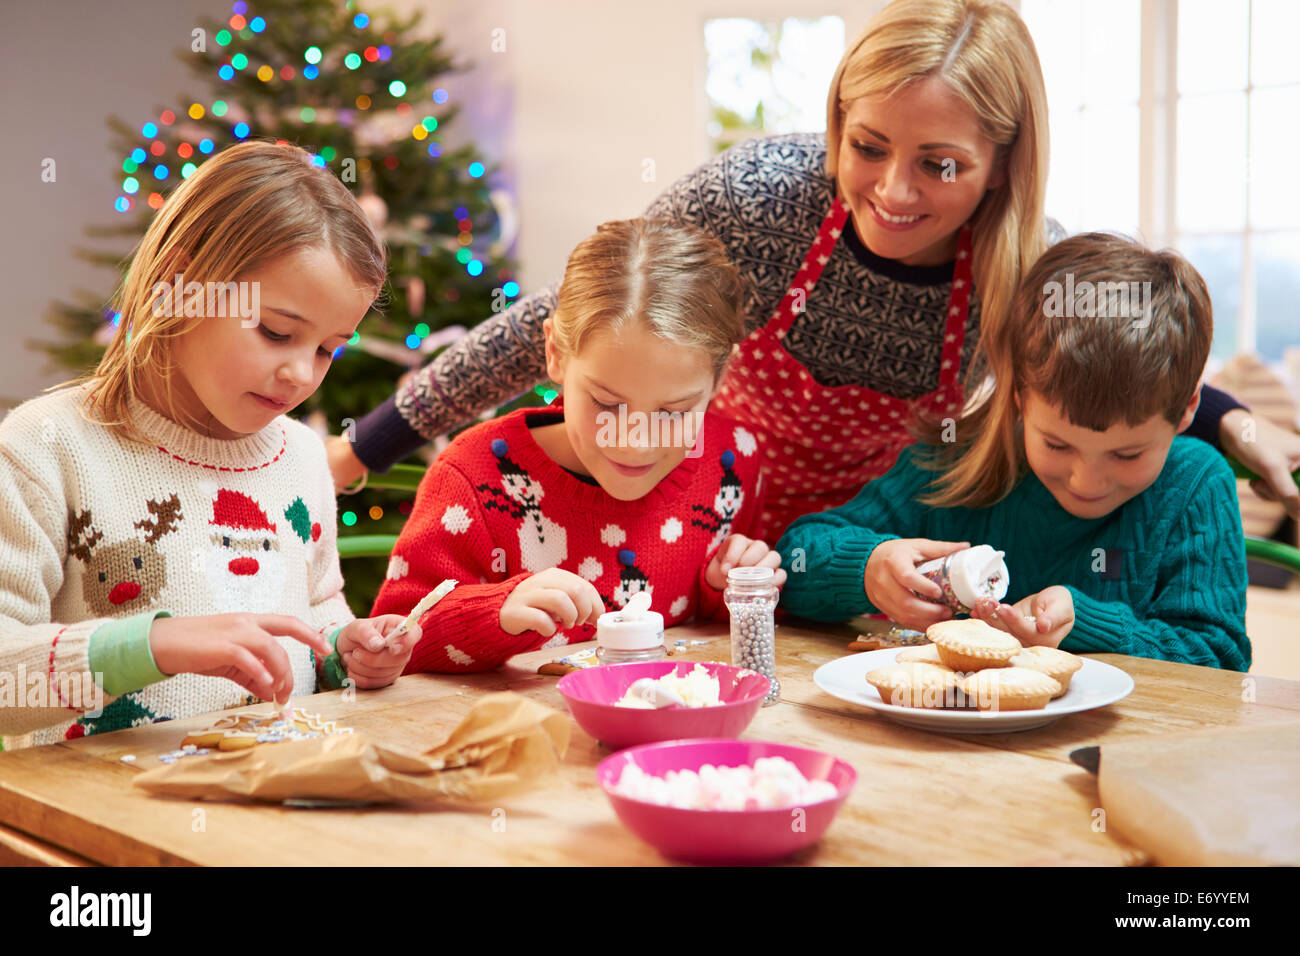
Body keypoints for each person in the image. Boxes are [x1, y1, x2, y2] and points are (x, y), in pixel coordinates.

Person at [326, 0, 1300, 532]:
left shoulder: (1023, 255)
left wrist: (1241, 425)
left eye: (940, 165)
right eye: (867, 144)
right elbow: (576, 313)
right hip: (698, 523)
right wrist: (365, 443)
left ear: (1003, 162)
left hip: (874, 550)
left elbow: (1120, 362)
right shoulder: (763, 200)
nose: (892, 190)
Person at [0, 141, 415, 749]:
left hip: (261, 810)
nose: (302, 373)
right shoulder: (44, 447)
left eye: (328, 348)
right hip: (103, 828)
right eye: (276, 332)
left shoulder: (300, 456)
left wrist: (344, 652)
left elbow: (319, 614)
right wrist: (152, 646)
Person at [776, 233, 1249, 671]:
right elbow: (793, 562)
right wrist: (868, 567)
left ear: (1187, 411)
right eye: (1057, 444)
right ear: (1020, 396)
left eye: (1126, 455)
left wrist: (1084, 624)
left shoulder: (1195, 484)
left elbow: (1221, 660)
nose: (1087, 480)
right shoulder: (953, 462)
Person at [370, 219, 782, 672]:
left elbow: (714, 637)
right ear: (555, 354)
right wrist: (493, 614)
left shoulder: (732, 459)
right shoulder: (473, 475)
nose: (635, 441)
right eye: (607, 403)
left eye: (672, 413)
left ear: (719, 381)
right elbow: (389, 642)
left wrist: (731, 590)